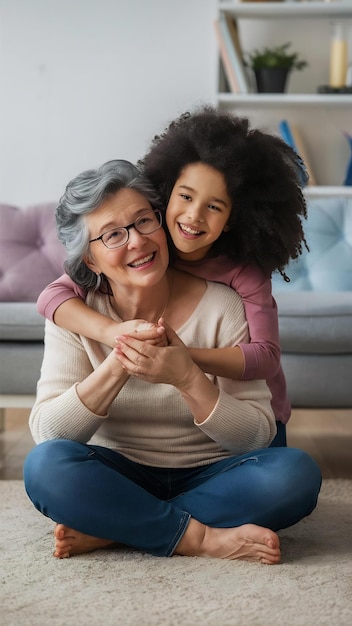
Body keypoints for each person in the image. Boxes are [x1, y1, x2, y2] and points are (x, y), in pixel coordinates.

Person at [24, 159, 321, 563]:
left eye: (144, 221)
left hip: (213, 471)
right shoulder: (75, 315)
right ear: (89, 261)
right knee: (45, 467)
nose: (137, 241)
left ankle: (120, 524)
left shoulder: (224, 305)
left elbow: (256, 437)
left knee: (294, 475)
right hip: (118, 468)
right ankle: (198, 537)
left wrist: (186, 376)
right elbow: (48, 432)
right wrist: (120, 358)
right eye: (113, 235)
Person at [36, 107, 309, 447]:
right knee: (50, 465)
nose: (193, 217)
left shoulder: (241, 275)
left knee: (284, 471)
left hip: (258, 413)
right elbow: (50, 297)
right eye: (185, 197)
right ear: (165, 196)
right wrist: (114, 335)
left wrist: (179, 358)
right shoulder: (142, 246)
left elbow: (266, 357)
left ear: (234, 219)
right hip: (126, 446)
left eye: (214, 206)